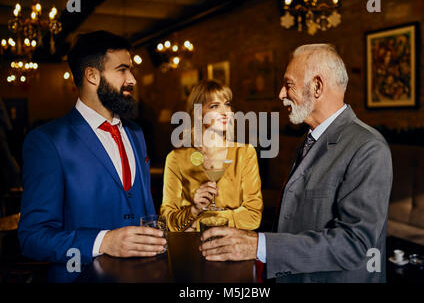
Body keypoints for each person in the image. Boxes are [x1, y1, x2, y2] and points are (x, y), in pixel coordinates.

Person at [199, 44, 393, 283]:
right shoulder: (311, 138)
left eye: (288, 84)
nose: (281, 93)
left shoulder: (368, 147)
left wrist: (260, 246)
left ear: (317, 87)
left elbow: (354, 245)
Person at [18, 31, 166, 274]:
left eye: (131, 70)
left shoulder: (136, 133)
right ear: (92, 75)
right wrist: (103, 241)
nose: (132, 79)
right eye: (122, 70)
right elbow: (33, 237)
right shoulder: (47, 141)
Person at [160, 80, 263, 232]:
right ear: (199, 114)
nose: (225, 112)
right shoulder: (176, 158)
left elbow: (253, 216)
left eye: (227, 104)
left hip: (233, 248)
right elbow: (167, 219)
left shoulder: (245, 153)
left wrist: (198, 223)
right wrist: (194, 209)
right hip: (192, 249)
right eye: (214, 106)